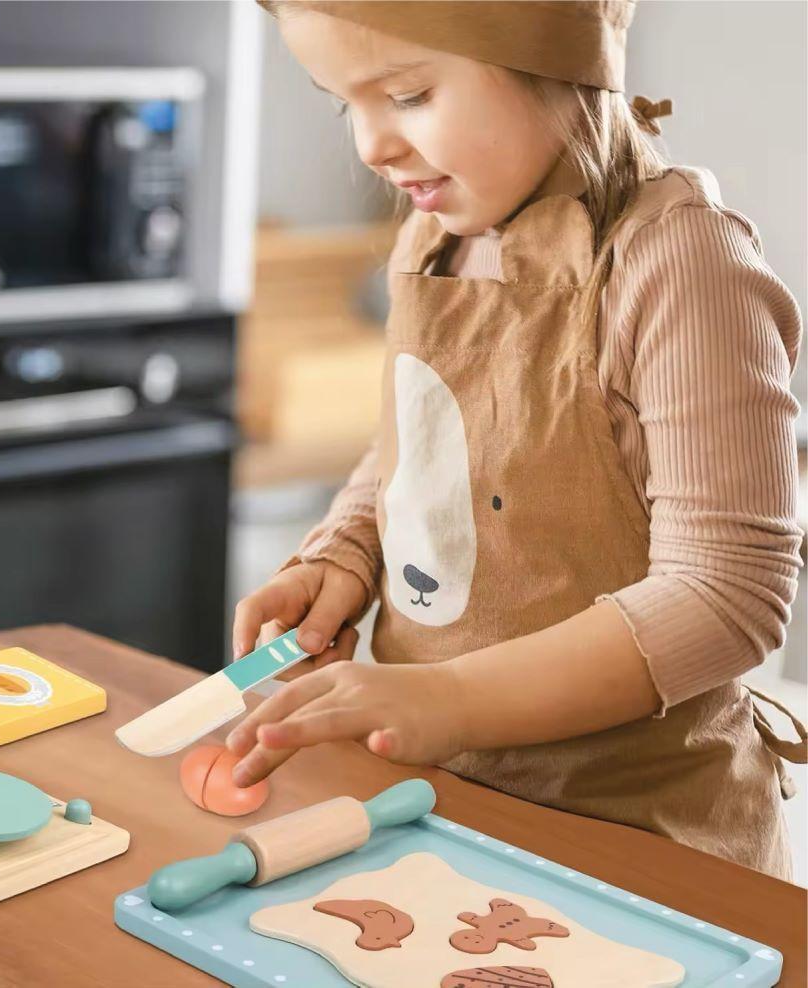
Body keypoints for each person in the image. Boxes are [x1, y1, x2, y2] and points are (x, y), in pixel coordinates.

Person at [228, 0, 805, 877]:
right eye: (347, 105)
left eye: (410, 95)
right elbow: (420, 435)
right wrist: (344, 550)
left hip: (640, 842)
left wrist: (450, 697)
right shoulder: (432, 244)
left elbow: (726, 597)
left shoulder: (680, 265)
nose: (371, 147)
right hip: (440, 802)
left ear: (560, 63)